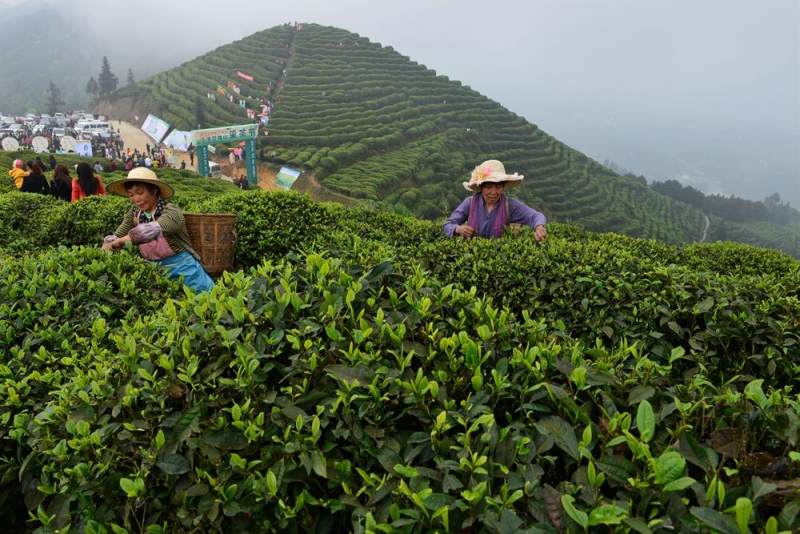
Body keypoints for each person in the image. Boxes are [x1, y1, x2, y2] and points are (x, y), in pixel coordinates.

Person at [103, 168, 214, 293]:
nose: (136, 199)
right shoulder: (134, 214)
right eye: (131, 195)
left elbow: (158, 227)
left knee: (204, 295)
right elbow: (120, 231)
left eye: (140, 193)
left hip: (182, 266)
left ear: (154, 190)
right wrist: (110, 242)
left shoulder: (170, 211)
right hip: (154, 268)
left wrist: (122, 241)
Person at [443, 160, 547, 241]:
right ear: (481, 188)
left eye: (498, 187)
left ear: (503, 187)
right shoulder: (470, 203)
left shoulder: (509, 205)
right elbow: (448, 224)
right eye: (488, 187)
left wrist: (539, 227)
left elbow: (535, 216)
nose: (493, 192)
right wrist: (458, 229)